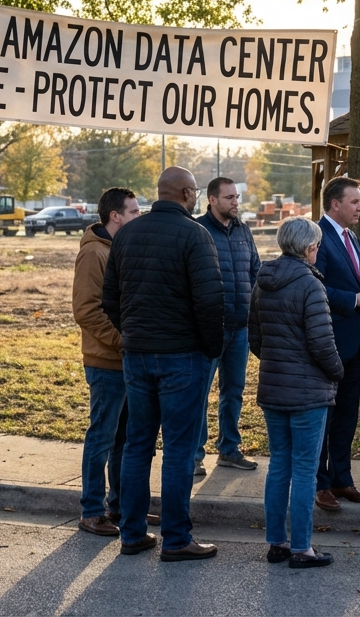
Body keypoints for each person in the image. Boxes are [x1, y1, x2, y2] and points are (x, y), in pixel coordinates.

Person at [101, 166, 225, 562]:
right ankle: (175, 538)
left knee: (138, 445)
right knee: (177, 448)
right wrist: (210, 349)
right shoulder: (195, 235)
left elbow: (110, 299)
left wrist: (134, 332)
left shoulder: (128, 235)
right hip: (181, 357)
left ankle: (133, 533)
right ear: (188, 194)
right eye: (194, 193)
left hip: (137, 355)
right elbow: (210, 302)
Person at [250, 217, 345, 568]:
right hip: (308, 391)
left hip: (274, 386)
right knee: (305, 470)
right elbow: (322, 344)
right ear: (309, 248)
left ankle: (277, 542)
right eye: (317, 245)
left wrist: (278, 360)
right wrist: (338, 372)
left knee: (279, 465)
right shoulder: (310, 285)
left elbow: (255, 337)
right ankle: (302, 547)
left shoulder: (263, 282)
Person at [71, 187, 141, 536]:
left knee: (124, 440)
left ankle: (120, 507)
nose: (138, 216)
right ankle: (91, 510)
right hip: (104, 361)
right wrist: (121, 341)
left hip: (125, 360)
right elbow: (85, 310)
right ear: (116, 216)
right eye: (133, 211)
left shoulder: (118, 248)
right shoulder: (94, 254)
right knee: (102, 436)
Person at [313, 176, 360, 512]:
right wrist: (355, 299)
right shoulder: (317, 237)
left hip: (354, 347)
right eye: (354, 202)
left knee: (347, 417)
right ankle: (320, 483)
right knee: (324, 418)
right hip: (328, 344)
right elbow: (315, 289)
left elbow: (356, 282)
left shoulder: (351, 236)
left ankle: (342, 479)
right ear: (335, 204)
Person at [195, 177, 262, 475]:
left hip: (240, 328)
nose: (236, 202)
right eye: (229, 197)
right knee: (199, 392)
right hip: (208, 329)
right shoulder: (197, 230)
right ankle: (194, 455)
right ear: (212, 200)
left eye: (236, 197)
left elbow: (255, 271)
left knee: (233, 391)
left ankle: (229, 449)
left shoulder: (243, 231)